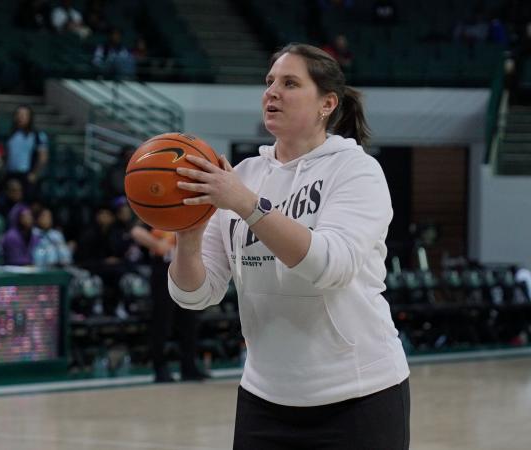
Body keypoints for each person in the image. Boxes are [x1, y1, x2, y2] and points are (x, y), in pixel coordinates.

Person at [168, 43, 410, 449]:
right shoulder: (243, 175)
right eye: (269, 82)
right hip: (265, 398)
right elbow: (195, 295)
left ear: (326, 103)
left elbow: (330, 265)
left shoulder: (357, 171)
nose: (272, 92)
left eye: (290, 83)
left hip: (360, 394)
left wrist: (246, 204)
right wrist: (187, 236)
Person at [131, 225, 206, 383]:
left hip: (185, 271)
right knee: (162, 322)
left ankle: (189, 367)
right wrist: (156, 244)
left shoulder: (187, 216)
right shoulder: (156, 215)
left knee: (189, 322)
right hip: (162, 273)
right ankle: (160, 368)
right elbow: (136, 231)